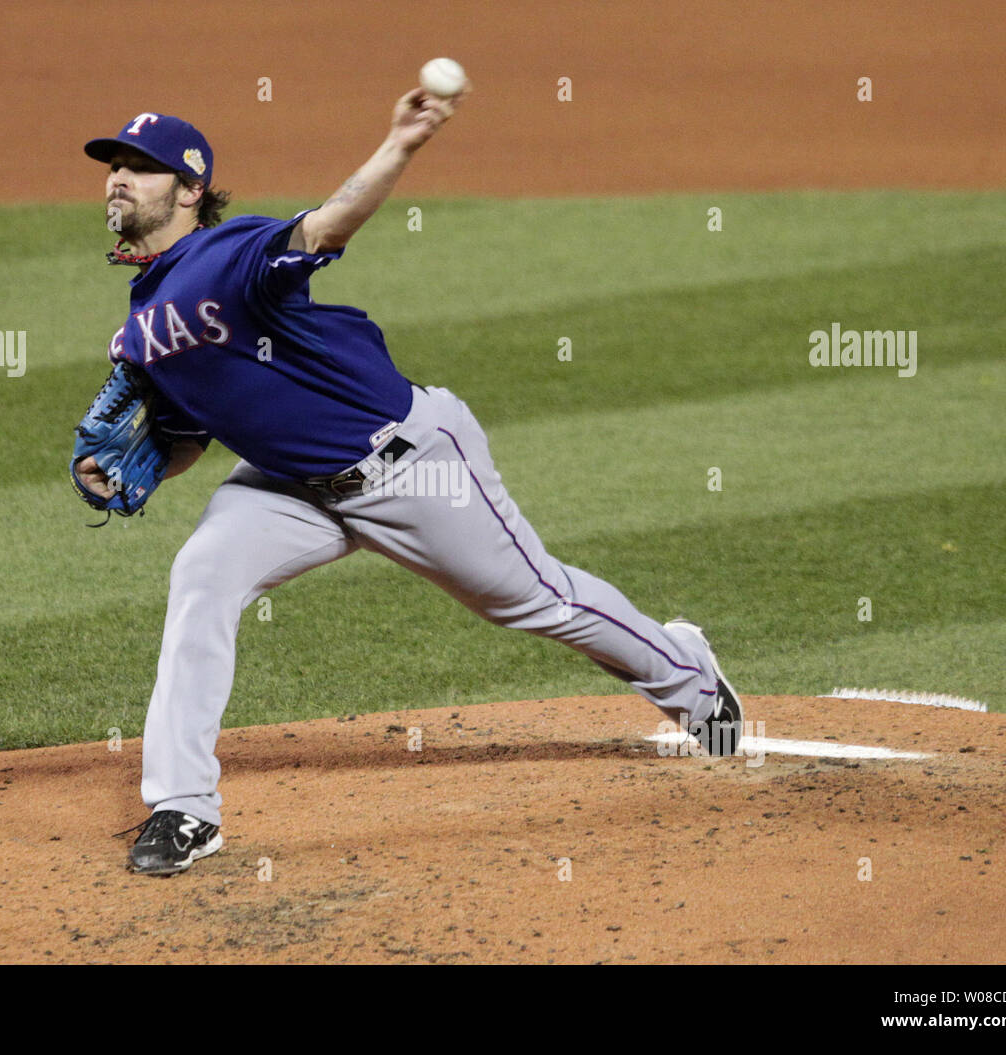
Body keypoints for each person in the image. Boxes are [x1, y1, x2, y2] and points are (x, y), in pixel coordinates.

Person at [74, 88, 743, 877]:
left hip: (411, 462)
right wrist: (115, 471)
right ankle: (184, 807)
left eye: (141, 168)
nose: (119, 178)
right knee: (202, 574)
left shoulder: (230, 254)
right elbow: (187, 439)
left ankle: (692, 680)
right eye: (114, 165)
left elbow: (325, 226)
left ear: (190, 190)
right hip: (288, 486)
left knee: (536, 601)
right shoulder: (139, 324)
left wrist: (400, 143)